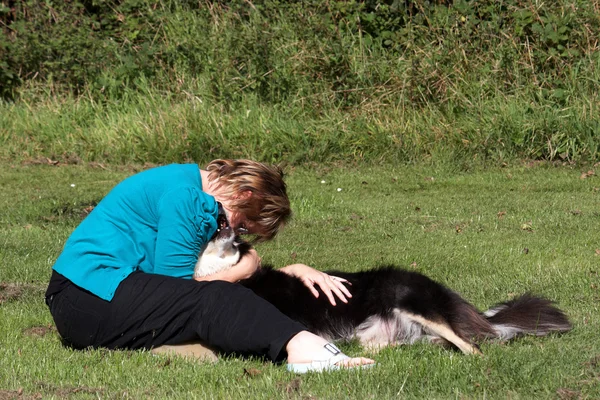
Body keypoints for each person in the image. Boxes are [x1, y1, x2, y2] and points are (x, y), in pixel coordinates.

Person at [45, 159, 374, 373]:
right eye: (243, 225)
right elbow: (176, 291)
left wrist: (288, 271)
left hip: (89, 299)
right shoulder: (189, 201)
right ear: (244, 194)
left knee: (213, 303)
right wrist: (242, 271)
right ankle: (302, 348)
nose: (236, 234)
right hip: (90, 294)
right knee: (214, 298)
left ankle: (184, 348)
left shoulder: (184, 180)